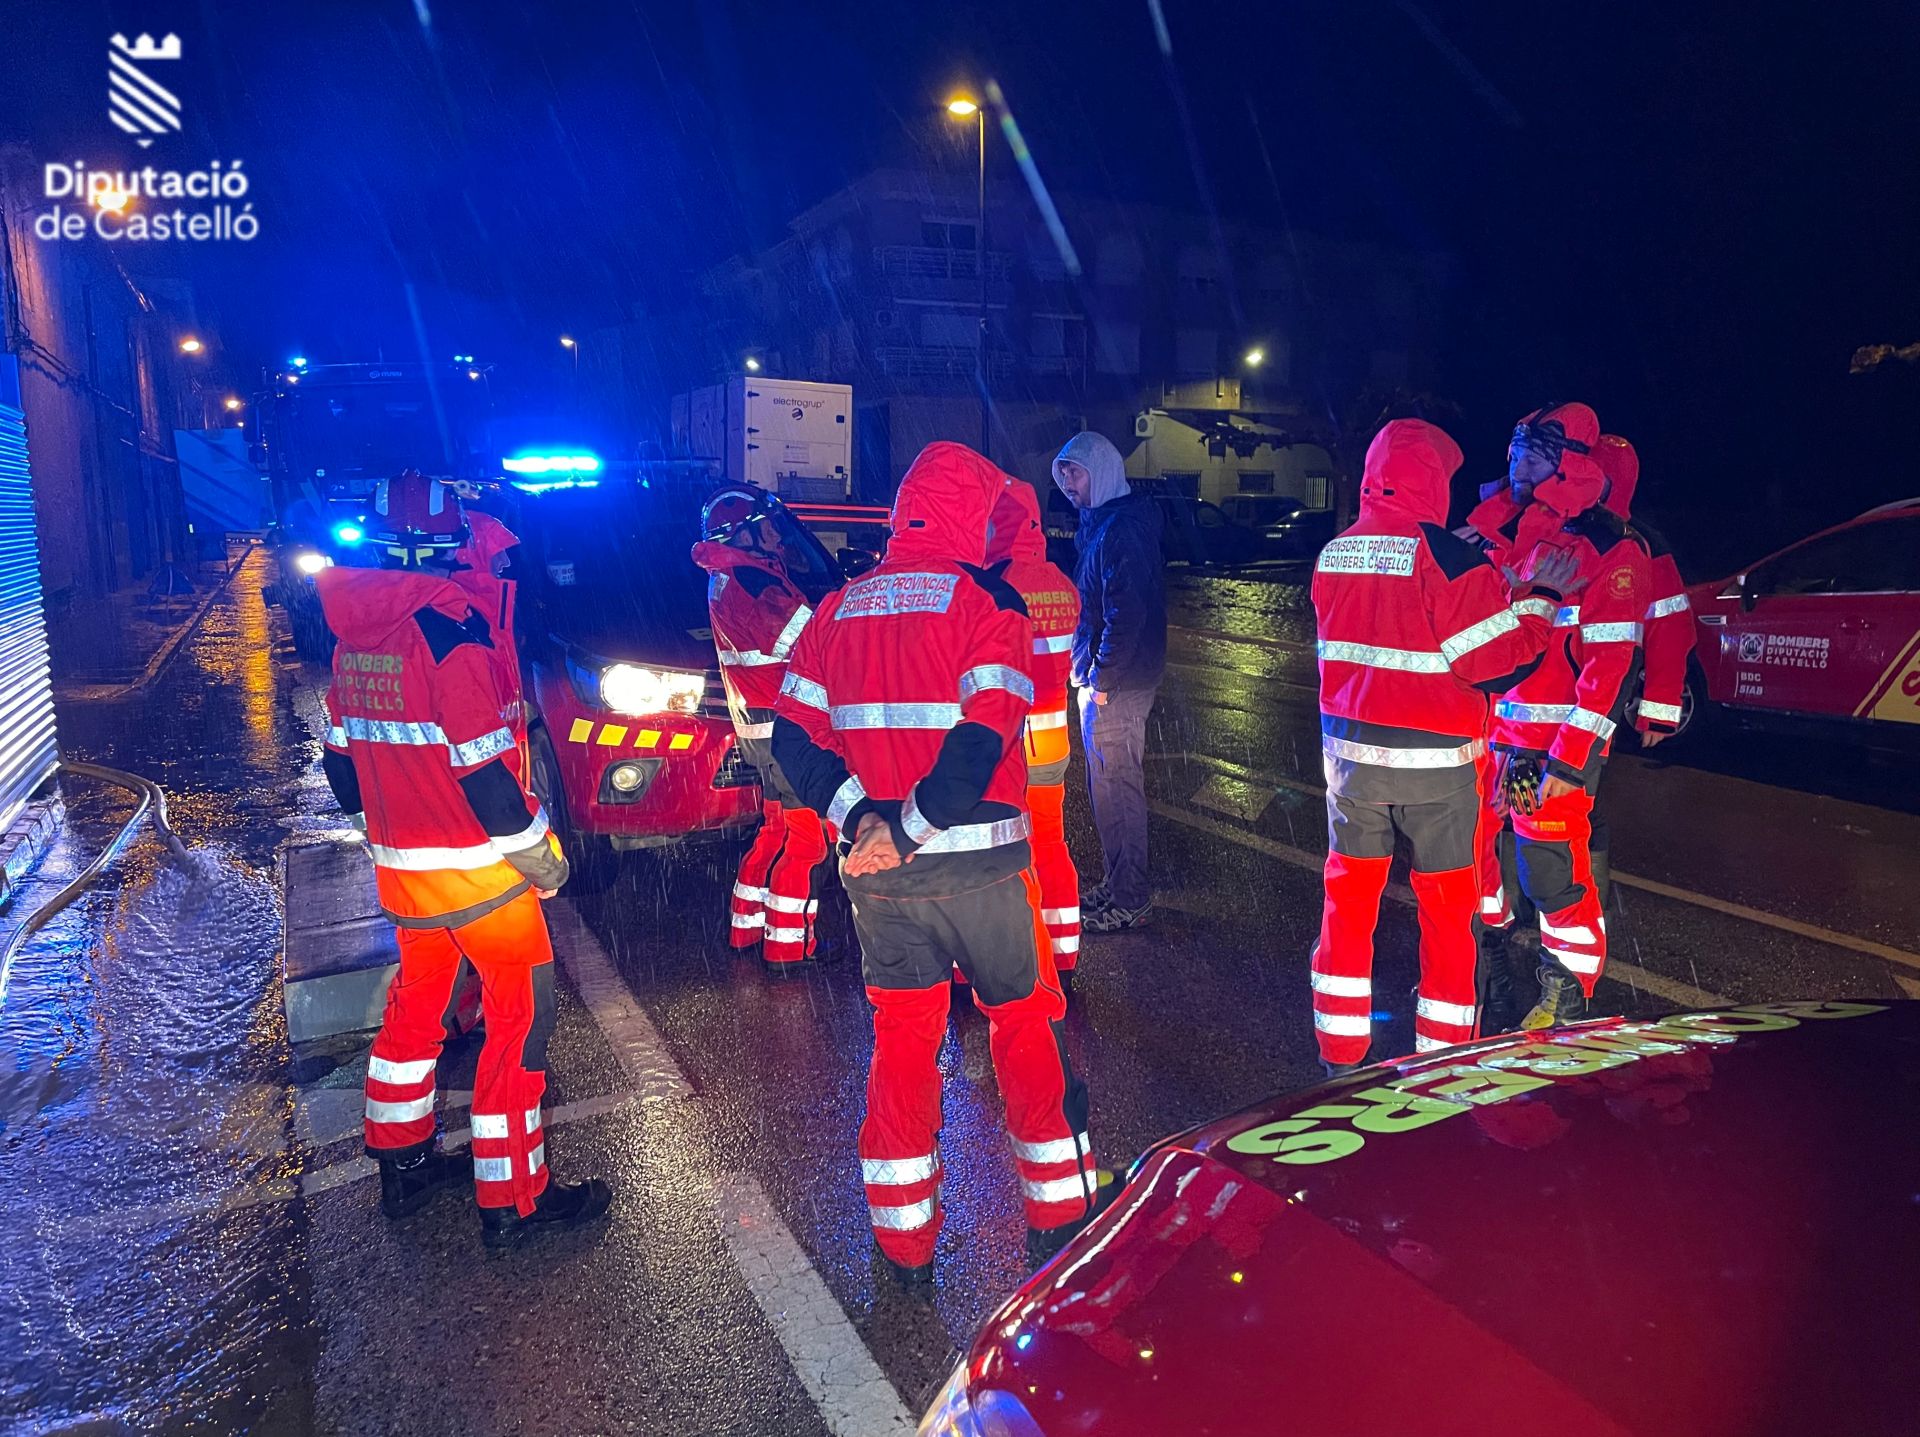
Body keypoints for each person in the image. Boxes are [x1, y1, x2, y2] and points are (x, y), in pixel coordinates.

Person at [771, 441, 1110, 1285]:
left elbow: (789, 738)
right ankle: (1061, 1224)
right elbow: (987, 728)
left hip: (881, 885)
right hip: (982, 876)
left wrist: (862, 820)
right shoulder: (983, 600)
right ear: (970, 513)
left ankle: (903, 1243)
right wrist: (912, 823)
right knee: (1026, 1027)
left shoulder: (837, 607)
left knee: (903, 1041)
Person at [316, 470, 612, 1248]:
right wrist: (541, 859)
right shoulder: (453, 638)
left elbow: (341, 766)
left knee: (415, 1012)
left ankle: (402, 1165)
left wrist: (390, 828)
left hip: (405, 878)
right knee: (519, 1025)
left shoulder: (353, 639)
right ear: (451, 550)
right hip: (483, 877)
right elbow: (484, 773)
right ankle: (513, 1200)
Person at [1309, 419, 1581, 1072]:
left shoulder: (1334, 551)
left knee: (1347, 908)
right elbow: (1493, 661)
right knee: (1446, 916)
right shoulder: (1450, 558)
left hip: (1352, 766)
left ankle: (1339, 1058)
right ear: (1433, 479)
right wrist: (1541, 601)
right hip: (1437, 772)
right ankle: (1442, 1065)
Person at [1467, 405, 1651, 1030]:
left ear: (1570, 463)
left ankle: (1567, 997)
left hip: (1545, 747)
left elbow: (1610, 667)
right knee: (1475, 860)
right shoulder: (1498, 530)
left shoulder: (1608, 548)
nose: (1518, 461)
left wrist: (1570, 760)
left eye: (1536, 452)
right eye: (1516, 447)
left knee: (1549, 871)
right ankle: (1487, 965)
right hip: (1489, 734)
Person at [692, 486, 828, 968]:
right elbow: (812, 636)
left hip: (762, 734)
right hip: (789, 736)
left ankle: (746, 928)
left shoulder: (729, 576)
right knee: (809, 845)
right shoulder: (751, 581)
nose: (776, 534)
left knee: (774, 832)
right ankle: (790, 948)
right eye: (766, 526)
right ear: (743, 534)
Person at [1051, 431, 1165, 934]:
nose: (1067, 485)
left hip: (1116, 684)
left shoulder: (1122, 530)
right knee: (1107, 789)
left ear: (1100, 470)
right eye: (1063, 476)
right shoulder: (1100, 526)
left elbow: (1126, 612)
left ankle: (1130, 895)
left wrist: (1099, 680)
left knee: (1117, 789)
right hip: (1105, 680)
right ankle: (1119, 883)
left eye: (1074, 473)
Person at [985, 479, 1084, 974]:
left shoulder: (994, 583)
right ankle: (1063, 954)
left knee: (1001, 851)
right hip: (1053, 740)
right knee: (1051, 842)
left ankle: (1015, 964)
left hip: (1009, 746)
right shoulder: (1061, 583)